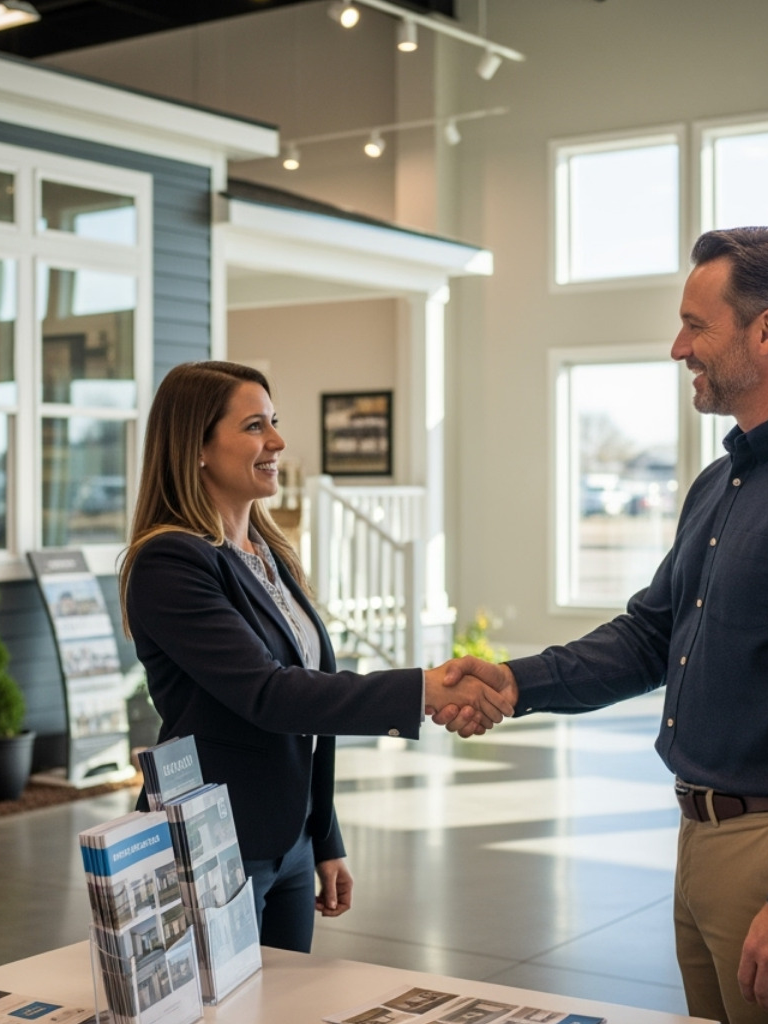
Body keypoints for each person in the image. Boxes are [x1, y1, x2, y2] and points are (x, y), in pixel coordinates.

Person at [440, 227, 768, 1022]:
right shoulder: (723, 480)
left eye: (696, 326)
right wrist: (512, 682)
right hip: (704, 839)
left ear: (767, 330)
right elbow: (652, 635)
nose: (679, 349)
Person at [120, 360, 511, 952]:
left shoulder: (268, 553)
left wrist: (323, 836)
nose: (278, 442)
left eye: (274, 422)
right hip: (215, 843)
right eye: (255, 426)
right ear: (195, 447)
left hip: (291, 841)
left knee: (289, 999)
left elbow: (308, 699)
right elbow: (271, 694)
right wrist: (424, 689)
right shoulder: (171, 563)